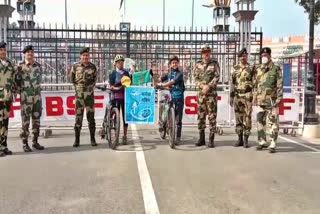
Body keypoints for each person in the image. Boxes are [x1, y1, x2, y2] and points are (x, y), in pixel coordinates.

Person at [253, 47, 283, 153]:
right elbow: (255, 85)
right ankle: (262, 141)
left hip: (272, 101)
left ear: (270, 56)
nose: (264, 57)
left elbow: (279, 85)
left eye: (266, 55)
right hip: (260, 101)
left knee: (273, 123)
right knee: (260, 122)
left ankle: (273, 143)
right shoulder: (258, 68)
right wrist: (254, 97)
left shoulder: (276, 68)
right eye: (262, 56)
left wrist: (278, 100)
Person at [16, 45, 45, 152]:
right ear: (24, 54)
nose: (30, 54)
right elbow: (16, 81)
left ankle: (35, 142)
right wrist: (22, 92)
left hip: (37, 97)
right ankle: (25, 143)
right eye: (28, 52)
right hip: (26, 98)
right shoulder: (20, 66)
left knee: (36, 120)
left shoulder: (38, 66)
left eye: (32, 52)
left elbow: (39, 80)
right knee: (25, 121)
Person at [152, 55, 185, 144]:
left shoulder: (180, 74)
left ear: (178, 64)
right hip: (171, 97)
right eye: (173, 63)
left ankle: (177, 137)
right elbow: (158, 79)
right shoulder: (168, 74)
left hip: (179, 98)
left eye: (176, 63)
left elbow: (172, 82)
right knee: (166, 109)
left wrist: (162, 85)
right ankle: (163, 124)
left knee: (178, 119)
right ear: (170, 65)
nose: (174, 64)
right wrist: (153, 76)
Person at [193, 44, 220, 148]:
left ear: (210, 53)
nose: (206, 54)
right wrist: (202, 86)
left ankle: (211, 139)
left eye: (208, 52)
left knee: (212, 117)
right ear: (202, 54)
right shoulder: (197, 64)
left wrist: (208, 86)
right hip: (201, 95)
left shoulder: (214, 64)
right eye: (204, 53)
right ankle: (201, 139)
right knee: (201, 117)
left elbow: (217, 77)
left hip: (211, 95)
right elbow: (195, 78)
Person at [71, 47, 97, 147]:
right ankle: (77, 140)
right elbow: (72, 79)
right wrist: (79, 89)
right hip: (79, 97)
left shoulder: (93, 67)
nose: (85, 57)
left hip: (89, 97)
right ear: (80, 56)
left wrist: (89, 89)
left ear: (89, 56)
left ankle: (92, 139)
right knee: (78, 119)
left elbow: (94, 79)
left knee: (91, 119)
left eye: (87, 55)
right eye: (83, 55)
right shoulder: (75, 66)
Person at [230, 48, 253, 148]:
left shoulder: (251, 68)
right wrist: (231, 97)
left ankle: (246, 140)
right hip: (237, 96)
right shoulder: (235, 68)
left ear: (246, 56)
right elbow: (232, 83)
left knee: (247, 118)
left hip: (247, 96)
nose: (242, 58)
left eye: (244, 56)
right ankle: (239, 139)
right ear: (238, 57)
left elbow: (255, 83)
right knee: (238, 118)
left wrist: (254, 96)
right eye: (241, 56)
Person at [109, 54, 131, 145]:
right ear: (115, 64)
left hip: (125, 98)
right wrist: (113, 88)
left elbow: (130, 83)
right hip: (115, 97)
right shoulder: (113, 73)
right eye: (118, 63)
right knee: (115, 117)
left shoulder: (126, 73)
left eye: (122, 62)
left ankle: (125, 136)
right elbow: (111, 84)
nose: (120, 64)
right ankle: (115, 135)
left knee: (125, 118)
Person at [0, 42, 16, 157]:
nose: (3, 52)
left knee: (5, 121)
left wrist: (13, 92)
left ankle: (4, 145)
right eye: (1, 50)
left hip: (8, 96)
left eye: (4, 50)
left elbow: (14, 79)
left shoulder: (10, 63)